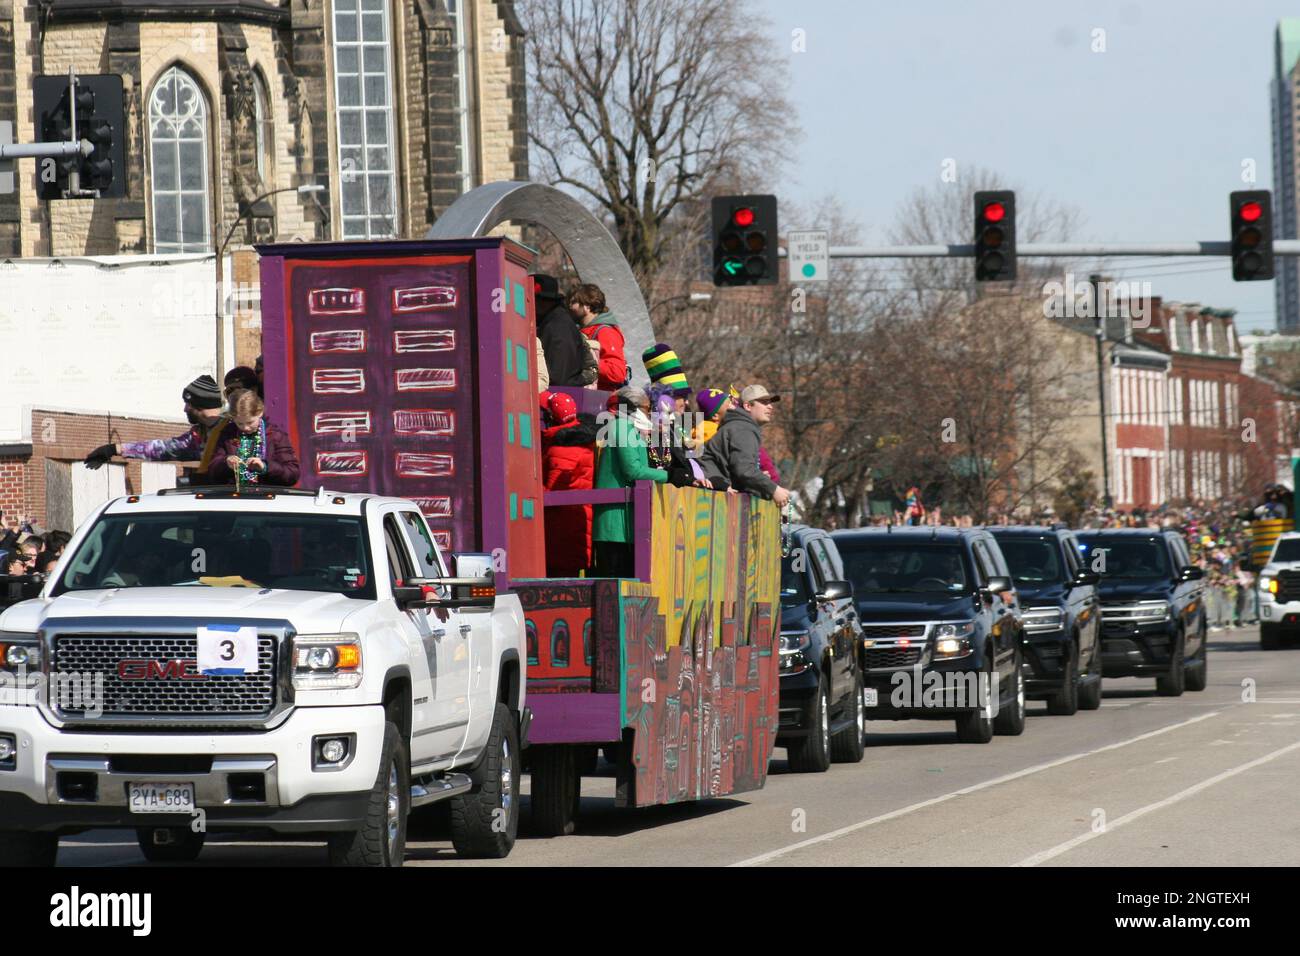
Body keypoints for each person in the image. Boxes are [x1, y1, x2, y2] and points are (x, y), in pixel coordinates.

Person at [83, 374, 230, 484]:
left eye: (188, 403)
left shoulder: (232, 430)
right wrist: (114, 449)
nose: (184, 409)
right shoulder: (198, 436)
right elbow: (161, 449)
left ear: (200, 404)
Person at [592, 386, 668, 577]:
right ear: (633, 408)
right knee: (612, 584)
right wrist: (669, 476)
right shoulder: (620, 426)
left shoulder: (631, 429)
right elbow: (632, 470)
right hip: (614, 523)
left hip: (628, 520)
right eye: (646, 408)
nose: (649, 413)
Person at [700, 384, 792, 507]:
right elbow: (744, 470)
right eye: (764, 402)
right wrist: (774, 489)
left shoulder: (740, 426)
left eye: (770, 402)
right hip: (711, 499)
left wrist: (758, 481)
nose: (770, 407)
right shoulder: (743, 428)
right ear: (748, 406)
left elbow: (739, 471)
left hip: (714, 496)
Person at [540, 392, 600, 576]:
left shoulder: (563, 448)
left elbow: (552, 490)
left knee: (559, 579)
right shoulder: (578, 439)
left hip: (562, 525)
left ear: (552, 416)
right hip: (573, 520)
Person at [208, 389, 301, 487]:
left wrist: (265, 466)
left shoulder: (275, 436)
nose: (245, 428)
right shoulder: (228, 434)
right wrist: (226, 463)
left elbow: (292, 474)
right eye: (239, 423)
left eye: (250, 422)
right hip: (235, 496)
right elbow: (212, 472)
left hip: (267, 496)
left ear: (260, 412)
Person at [533, 274, 594, 387]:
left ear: (543, 302)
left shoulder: (556, 327)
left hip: (560, 396)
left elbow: (557, 376)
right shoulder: (556, 321)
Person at [568, 283, 627, 391]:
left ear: (587, 307)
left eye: (573, 302)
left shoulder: (605, 332)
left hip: (603, 401)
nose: (570, 307)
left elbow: (617, 373)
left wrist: (587, 362)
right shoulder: (585, 331)